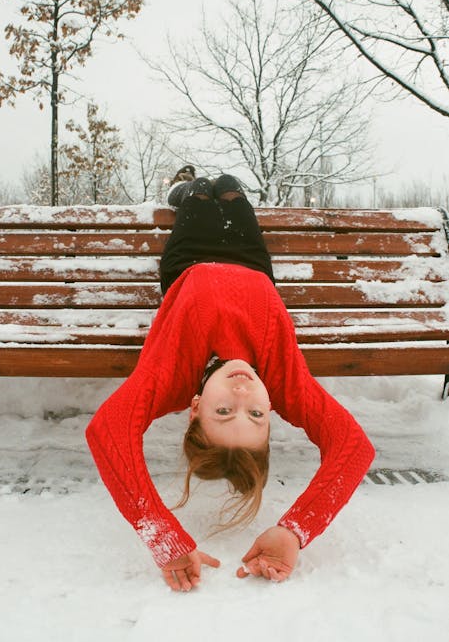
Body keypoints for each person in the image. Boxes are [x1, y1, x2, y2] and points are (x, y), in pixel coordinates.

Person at [85, 167, 375, 592]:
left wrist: (162, 533)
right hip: (252, 261)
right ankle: (202, 189)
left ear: (196, 409)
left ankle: (184, 191)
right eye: (255, 414)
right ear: (271, 409)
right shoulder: (285, 385)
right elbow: (355, 449)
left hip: (188, 261)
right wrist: (296, 530)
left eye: (224, 411)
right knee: (231, 190)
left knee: (201, 196)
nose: (243, 393)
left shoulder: (169, 379)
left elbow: (106, 432)